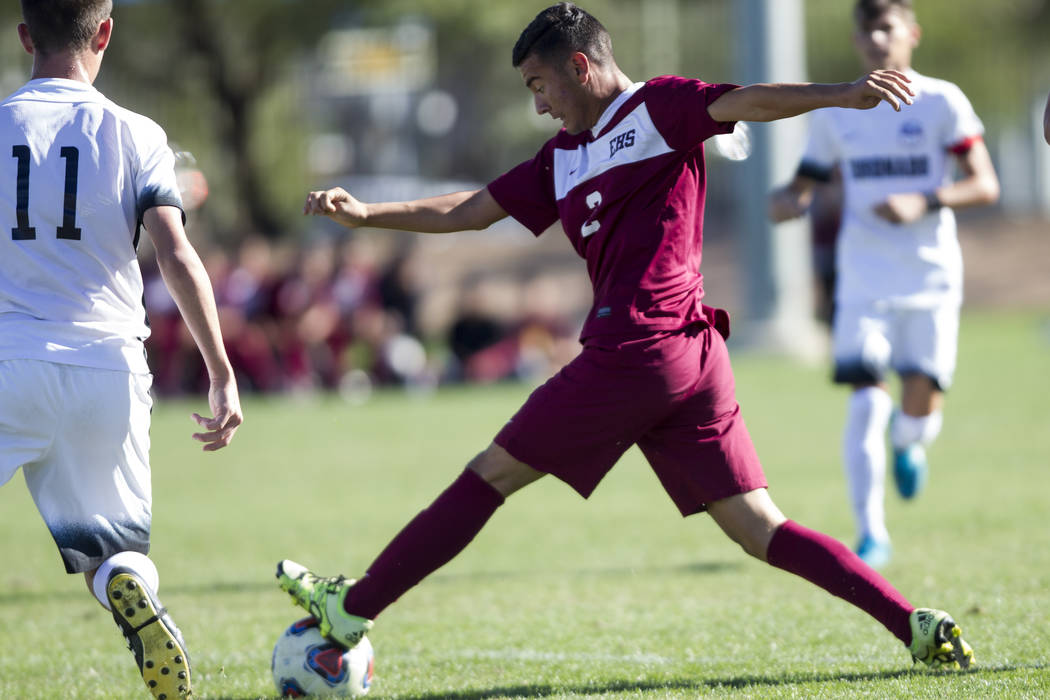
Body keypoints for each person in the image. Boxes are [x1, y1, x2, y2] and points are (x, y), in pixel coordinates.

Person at [277, 1, 973, 675]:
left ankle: (353, 608)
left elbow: (747, 100)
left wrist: (845, 94)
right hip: (689, 360)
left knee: (491, 474)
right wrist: (368, 214)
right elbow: (472, 208)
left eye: (539, 85)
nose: (539, 104)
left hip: (636, 350)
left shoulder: (658, 108)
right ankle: (910, 622)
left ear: (579, 67)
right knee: (760, 528)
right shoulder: (565, 157)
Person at [0, 2, 243, 698]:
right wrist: (220, 371)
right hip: (107, 365)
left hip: (9, 357)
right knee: (116, 550)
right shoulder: (137, 133)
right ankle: (129, 584)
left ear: (25, 37)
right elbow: (176, 255)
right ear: (104, 32)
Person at [769, 0, 999, 568]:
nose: (876, 38)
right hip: (863, 278)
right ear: (856, 42)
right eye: (866, 30)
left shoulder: (944, 101)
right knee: (865, 401)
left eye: (886, 27)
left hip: (931, 274)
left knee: (919, 405)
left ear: (910, 35)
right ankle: (871, 534)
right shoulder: (837, 112)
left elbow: (984, 185)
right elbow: (802, 185)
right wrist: (784, 201)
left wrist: (924, 199)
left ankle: (910, 440)